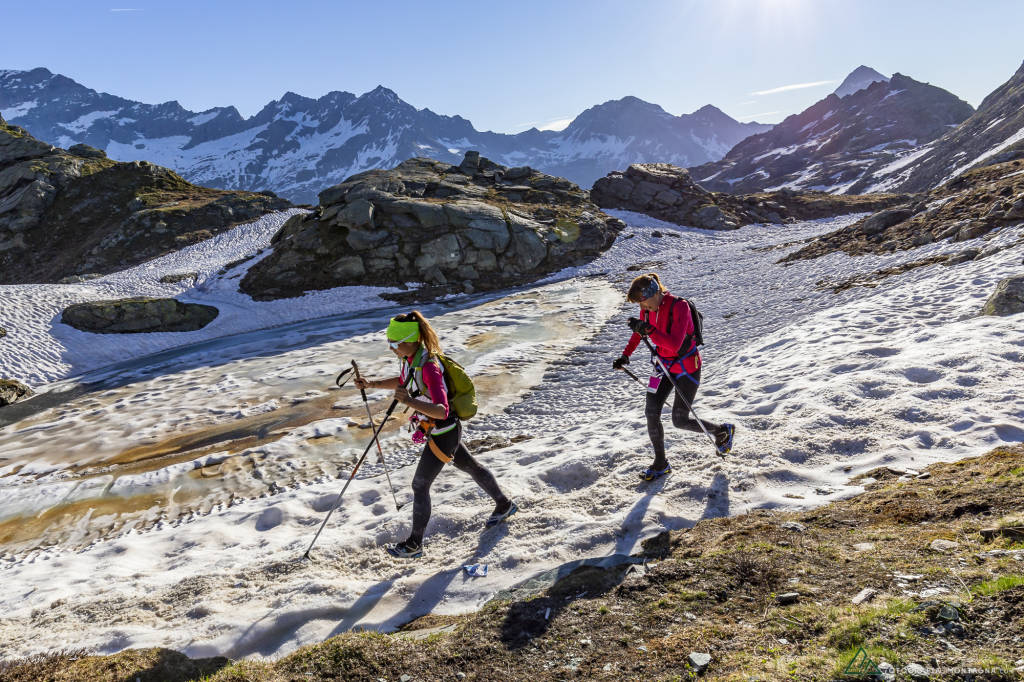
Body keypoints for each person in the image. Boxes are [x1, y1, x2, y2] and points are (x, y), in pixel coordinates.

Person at [355, 311, 517, 558]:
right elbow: (402, 380)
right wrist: (371, 384)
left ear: (410, 340)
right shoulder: (412, 359)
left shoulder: (429, 365)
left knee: (419, 485)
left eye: (395, 343)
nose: (391, 347)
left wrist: (409, 401)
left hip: (444, 431)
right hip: (439, 430)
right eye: (389, 342)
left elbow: (441, 410)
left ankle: (414, 544)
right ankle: (504, 505)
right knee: (471, 466)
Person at [613, 273, 735, 481]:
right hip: (662, 367)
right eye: (639, 306)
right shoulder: (647, 310)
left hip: (687, 367)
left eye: (643, 303)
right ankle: (660, 464)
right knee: (651, 412)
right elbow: (638, 334)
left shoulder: (680, 307)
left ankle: (721, 431)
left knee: (679, 420)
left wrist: (649, 329)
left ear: (654, 294)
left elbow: (674, 344)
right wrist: (625, 355)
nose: (642, 309)